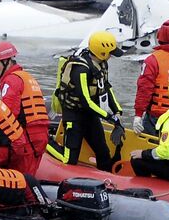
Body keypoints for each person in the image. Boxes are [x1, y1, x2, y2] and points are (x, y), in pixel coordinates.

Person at [46, 31, 123, 172]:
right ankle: (45, 142)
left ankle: (106, 179)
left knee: (103, 153)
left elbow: (106, 88)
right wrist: (108, 117)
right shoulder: (81, 69)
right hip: (74, 115)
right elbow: (85, 101)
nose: (112, 56)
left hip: (90, 115)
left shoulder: (102, 64)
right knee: (69, 159)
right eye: (110, 52)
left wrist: (117, 110)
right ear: (102, 51)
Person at [0, 41, 49, 173]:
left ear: (6, 62)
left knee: (22, 179)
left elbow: (8, 113)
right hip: (41, 134)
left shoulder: (11, 81)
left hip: (28, 136)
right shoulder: (26, 77)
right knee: (30, 176)